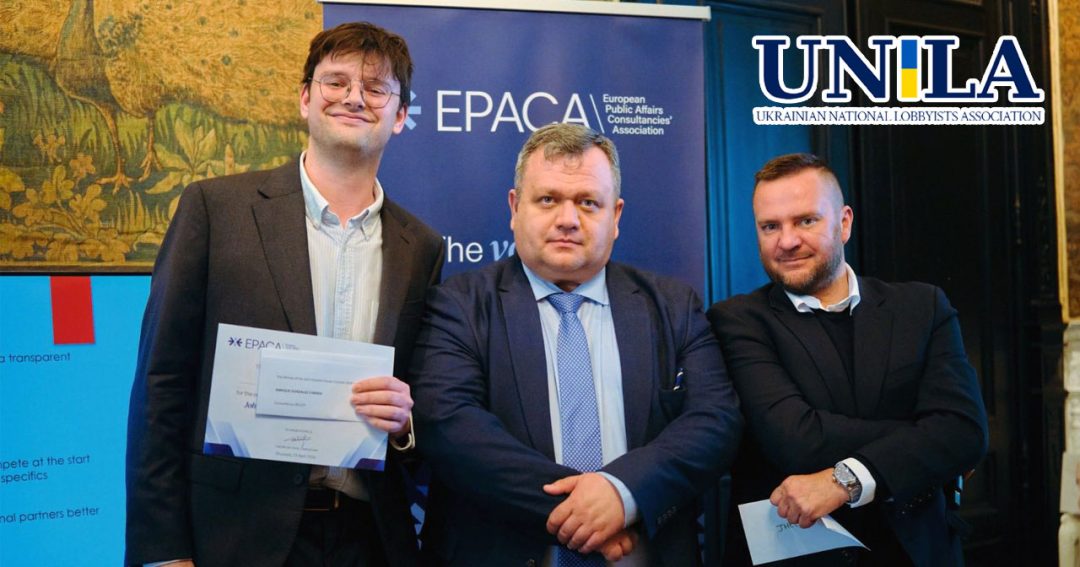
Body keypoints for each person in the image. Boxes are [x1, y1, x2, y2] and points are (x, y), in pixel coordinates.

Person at [125, 22, 444, 567]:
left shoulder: (423, 248)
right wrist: (163, 551)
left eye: (375, 88)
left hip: (371, 538)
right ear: (304, 99)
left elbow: (423, 399)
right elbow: (162, 383)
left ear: (401, 115)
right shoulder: (215, 210)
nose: (354, 98)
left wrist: (405, 423)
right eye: (336, 82)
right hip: (235, 536)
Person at [409, 123, 742, 566]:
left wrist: (622, 493)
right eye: (548, 199)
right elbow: (450, 426)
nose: (568, 219)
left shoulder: (674, 305)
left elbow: (714, 422)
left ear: (616, 216)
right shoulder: (460, 304)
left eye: (588, 202)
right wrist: (585, 513)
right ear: (514, 207)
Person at [708, 153, 989, 566]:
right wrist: (929, 440)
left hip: (918, 553)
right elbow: (798, 439)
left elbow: (965, 431)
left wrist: (848, 479)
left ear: (844, 223)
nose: (787, 241)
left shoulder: (922, 307)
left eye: (806, 221)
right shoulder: (737, 321)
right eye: (770, 226)